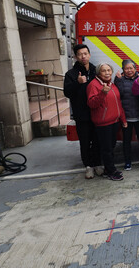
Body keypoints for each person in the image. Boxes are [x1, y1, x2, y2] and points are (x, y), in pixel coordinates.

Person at [63, 44, 102, 180]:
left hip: (96, 113)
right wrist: (77, 83)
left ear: (89, 54)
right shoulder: (71, 74)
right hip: (82, 115)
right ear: (75, 57)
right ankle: (88, 166)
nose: (83, 56)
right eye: (80, 54)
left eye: (85, 53)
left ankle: (97, 164)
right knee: (85, 142)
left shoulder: (96, 71)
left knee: (97, 141)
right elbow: (67, 93)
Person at [87, 62, 127, 181]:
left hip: (114, 122)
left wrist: (123, 119)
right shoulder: (93, 85)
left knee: (111, 147)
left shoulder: (112, 85)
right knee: (107, 149)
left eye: (109, 70)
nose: (107, 73)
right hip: (103, 124)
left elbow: (118, 103)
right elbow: (92, 104)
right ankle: (111, 171)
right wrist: (102, 93)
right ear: (98, 73)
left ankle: (109, 169)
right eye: (104, 71)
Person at [114, 59, 139, 170]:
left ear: (135, 69)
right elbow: (119, 95)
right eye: (126, 68)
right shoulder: (120, 80)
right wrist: (118, 80)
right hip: (127, 116)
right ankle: (128, 162)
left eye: (131, 68)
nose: (129, 70)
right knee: (126, 141)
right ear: (123, 70)